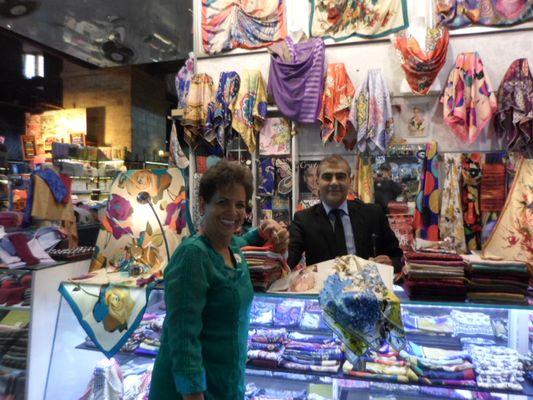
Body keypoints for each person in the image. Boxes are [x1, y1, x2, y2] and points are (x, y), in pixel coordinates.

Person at [149, 160, 289, 400]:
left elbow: (242, 240)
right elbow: (183, 338)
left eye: (240, 205)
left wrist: (266, 230)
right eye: (223, 202)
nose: (233, 213)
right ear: (203, 204)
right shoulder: (193, 256)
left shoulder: (230, 246)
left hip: (225, 382)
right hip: (192, 391)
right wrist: (193, 394)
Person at [288, 155, 403, 272]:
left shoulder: (373, 214)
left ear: (350, 181)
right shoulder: (303, 220)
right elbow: (289, 260)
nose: (334, 182)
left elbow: (398, 258)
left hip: (366, 288)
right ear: (317, 182)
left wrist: (391, 263)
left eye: (340, 176)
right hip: (322, 289)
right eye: (327, 177)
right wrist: (277, 247)